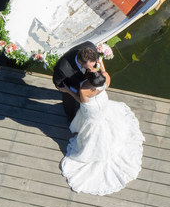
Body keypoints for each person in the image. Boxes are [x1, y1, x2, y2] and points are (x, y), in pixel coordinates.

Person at [61, 60, 145, 195]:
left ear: (89, 80)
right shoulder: (105, 78)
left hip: (93, 112)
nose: (93, 69)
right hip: (103, 104)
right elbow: (104, 71)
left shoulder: (83, 91)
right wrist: (101, 62)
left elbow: (79, 99)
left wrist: (67, 90)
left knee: (93, 131)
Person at [52, 42, 99, 122]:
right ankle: (71, 117)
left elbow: (97, 61)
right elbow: (58, 83)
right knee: (68, 100)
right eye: (89, 67)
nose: (92, 69)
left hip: (85, 79)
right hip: (70, 84)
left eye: (93, 65)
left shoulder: (91, 46)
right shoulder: (62, 68)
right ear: (80, 62)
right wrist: (70, 91)